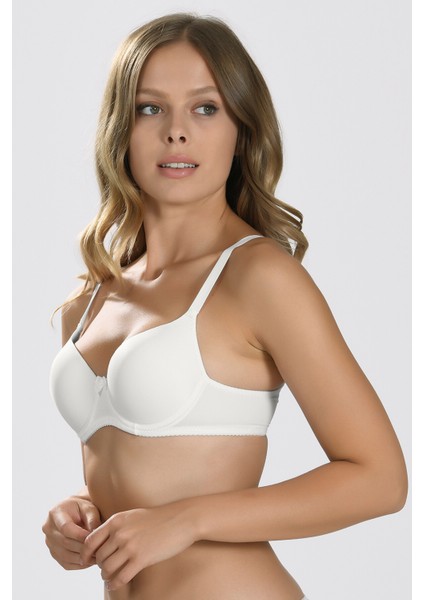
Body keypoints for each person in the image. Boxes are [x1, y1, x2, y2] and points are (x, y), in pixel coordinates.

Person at [42, 12, 408, 600]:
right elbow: (146, 465)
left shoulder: (257, 277)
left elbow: (380, 479)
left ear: (242, 128)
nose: (176, 132)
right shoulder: (88, 302)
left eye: (206, 108)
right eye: (150, 108)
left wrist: (186, 521)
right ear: (120, 128)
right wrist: (81, 512)